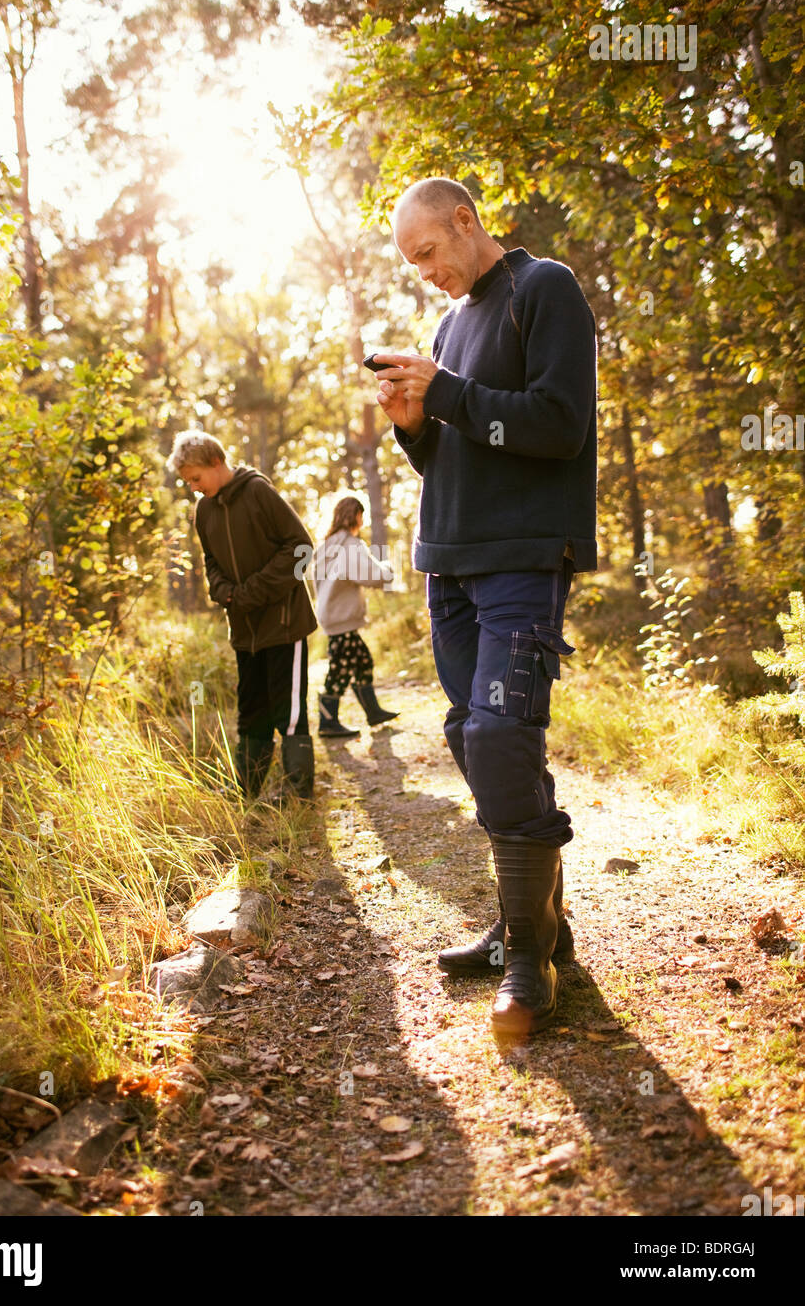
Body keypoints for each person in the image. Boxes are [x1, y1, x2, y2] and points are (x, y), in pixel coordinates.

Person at [372, 178, 597, 1042]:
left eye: (428, 251)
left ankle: (529, 961)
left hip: (524, 558)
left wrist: (453, 396)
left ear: (465, 222)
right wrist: (413, 423)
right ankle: (535, 919)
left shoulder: (546, 290)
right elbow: (454, 458)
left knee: (505, 735)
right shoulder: (447, 325)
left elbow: (558, 425)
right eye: (411, 262)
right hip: (450, 562)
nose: (423, 272)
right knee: (471, 735)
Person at [167, 430, 317, 804]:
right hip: (245, 630)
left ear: (216, 463)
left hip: (285, 624)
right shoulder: (203, 510)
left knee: (290, 712)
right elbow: (211, 563)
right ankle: (246, 791)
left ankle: (299, 795)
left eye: (196, 478)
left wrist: (250, 592)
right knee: (252, 712)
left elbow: (300, 549)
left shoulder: (259, 493)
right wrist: (224, 592)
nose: (194, 488)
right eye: (188, 482)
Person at [312, 495, 399, 739]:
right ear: (355, 515)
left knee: (362, 661)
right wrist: (388, 570)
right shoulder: (349, 545)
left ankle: (373, 712)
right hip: (342, 620)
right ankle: (328, 721)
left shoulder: (326, 545)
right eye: (362, 515)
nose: (363, 520)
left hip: (332, 616)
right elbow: (370, 575)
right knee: (339, 670)